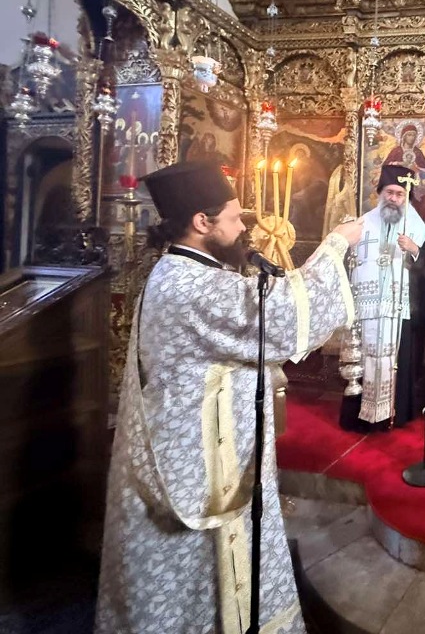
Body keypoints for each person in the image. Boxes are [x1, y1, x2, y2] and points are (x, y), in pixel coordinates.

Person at [95, 161, 364, 634]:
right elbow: (281, 317)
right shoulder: (187, 285)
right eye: (236, 218)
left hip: (207, 456)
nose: (244, 229)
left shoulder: (187, 272)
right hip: (195, 472)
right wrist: (337, 243)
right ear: (202, 222)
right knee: (191, 586)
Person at [339, 164, 425, 431]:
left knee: (394, 360)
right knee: (363, 357)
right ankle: (360, 416)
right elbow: (347, 259)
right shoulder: (362, 223)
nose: (393, 198)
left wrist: (414, 250)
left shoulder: (416, 226)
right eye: (389, 192)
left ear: (406, 197)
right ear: (380, 193)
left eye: (399, 194)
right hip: (365, 307)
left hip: (397, 309)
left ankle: (392, 414)